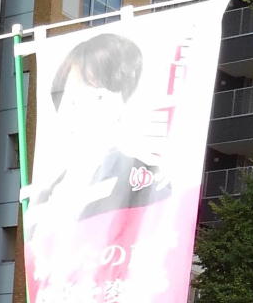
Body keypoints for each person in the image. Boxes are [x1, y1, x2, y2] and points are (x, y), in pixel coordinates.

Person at [30, 32, 169, 227]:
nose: (75, 106)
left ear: (123, 102)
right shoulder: (46, 187)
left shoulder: (146, 180)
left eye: (96, 94)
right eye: (69, 94)